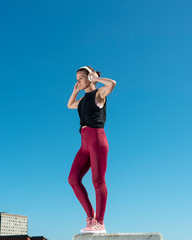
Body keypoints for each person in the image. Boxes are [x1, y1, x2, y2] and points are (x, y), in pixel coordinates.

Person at [67, 66, 116, 233]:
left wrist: (96, 79)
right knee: (73, 178)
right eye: (77, 79)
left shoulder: (98, 94)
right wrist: (75, 90)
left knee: (98, 180)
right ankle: (90, 217)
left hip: (97, 140)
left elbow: (112, 84)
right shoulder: (83, 100)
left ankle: (100, 223)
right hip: (84, 144)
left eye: (80, 78)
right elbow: (70, 105)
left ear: (89, 77)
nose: (78, 81)